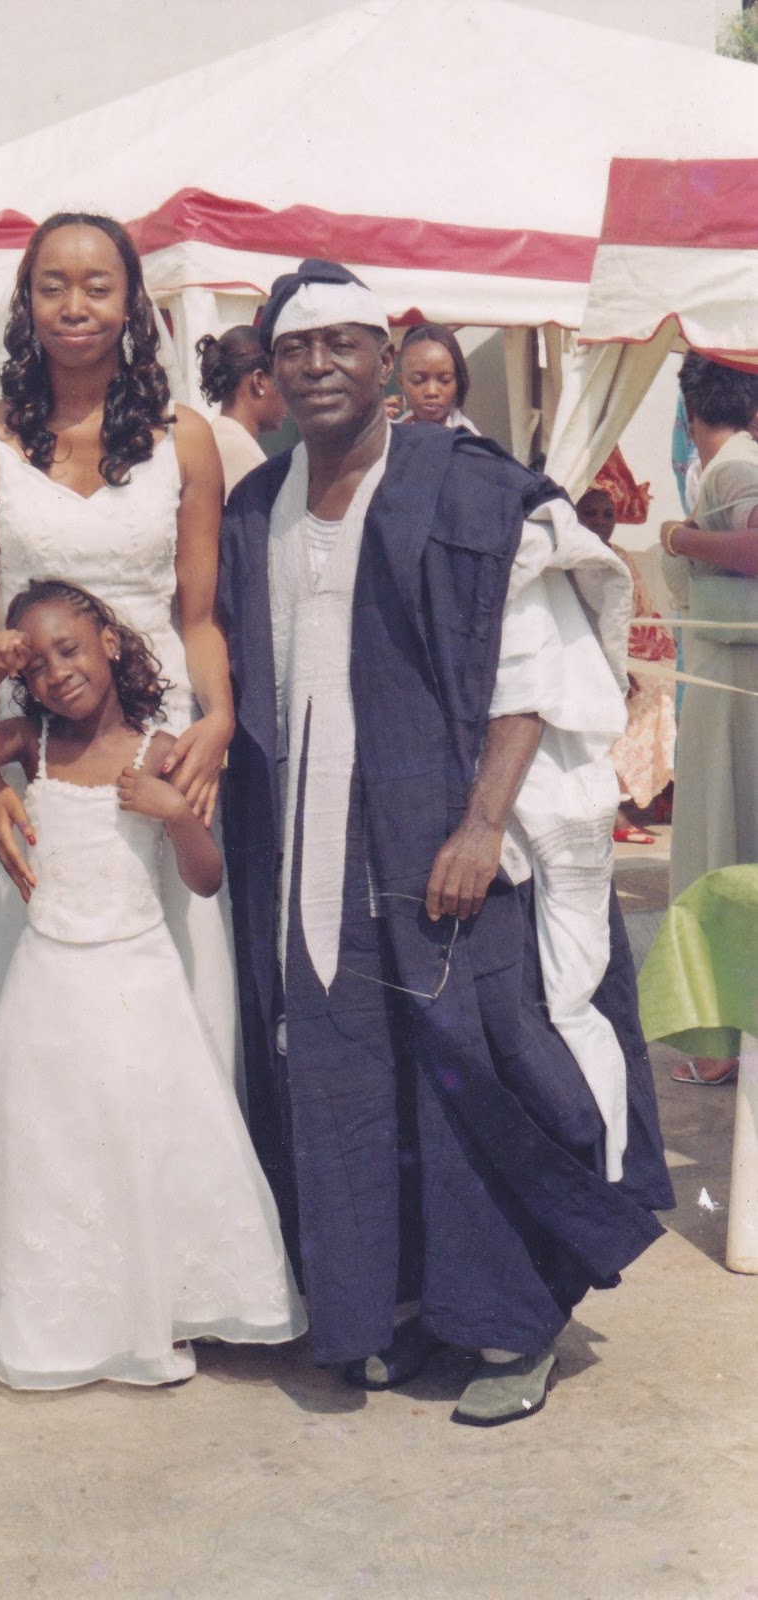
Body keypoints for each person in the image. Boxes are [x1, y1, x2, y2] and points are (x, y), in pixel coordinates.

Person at [218, 259, 673, 1427]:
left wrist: (481, 820)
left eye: (342, 347)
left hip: (445, 840)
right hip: (307, 853)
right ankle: (383, 1309)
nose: (317, 368)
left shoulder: (465, 490)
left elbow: (534, 670)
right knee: (341, 1075)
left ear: (388, 360)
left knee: (477, 1066)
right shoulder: (253, 505)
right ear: (267, 371)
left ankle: (512, 1326)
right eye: (293, 350)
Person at [0, 578, 304, 1387]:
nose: (60, 673)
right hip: (50, 985)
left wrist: (175, 811)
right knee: (57, 1146)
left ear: (111, 644)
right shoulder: (29, 743)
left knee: (137, 1139)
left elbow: (205, 880)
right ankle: (66, 1315)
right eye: (41, 663)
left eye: (72, 649)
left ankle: (151, 1307)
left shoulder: (159, 752)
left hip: (137, 984)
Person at [0, 211, 238, 1084]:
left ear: (131, 303)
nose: (74, 305)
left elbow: (199, 615)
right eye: (52, 286)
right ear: (25, 304)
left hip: (158, 740)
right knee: (34, 974)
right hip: (32, 744)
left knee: (167, 974)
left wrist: (218, 722)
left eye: (97, 285)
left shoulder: (186, 438)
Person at [659, 352, 758, 1087]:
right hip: (726, 677)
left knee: (720, 845)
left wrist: (681, 539)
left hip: (733, 682)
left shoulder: (732, 468)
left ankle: (722, 1040)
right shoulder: (731, 464)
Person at [575, 487, 676, 846]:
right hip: (587, 652)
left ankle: (658, 795)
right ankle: (613, 808)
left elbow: (643, 610)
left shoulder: (620, 556)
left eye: (607, 515)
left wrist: (656, 650)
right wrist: (618, 665)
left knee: (670, 684)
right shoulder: (571, 559)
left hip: (627, 647)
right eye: (590, 514)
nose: (600, 522)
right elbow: (582, 621)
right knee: (641, 692)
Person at [196, 325, 287, 495]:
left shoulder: (216, 438)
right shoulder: (240, 454)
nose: (287, 394)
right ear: (259, 381)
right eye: (281, 380)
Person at [387, 322, 477, 431]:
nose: (431, 392)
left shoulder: (469, 441)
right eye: (418, 381)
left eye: (445, 380)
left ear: (458, 382)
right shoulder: (391, 431)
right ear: (402, 383)